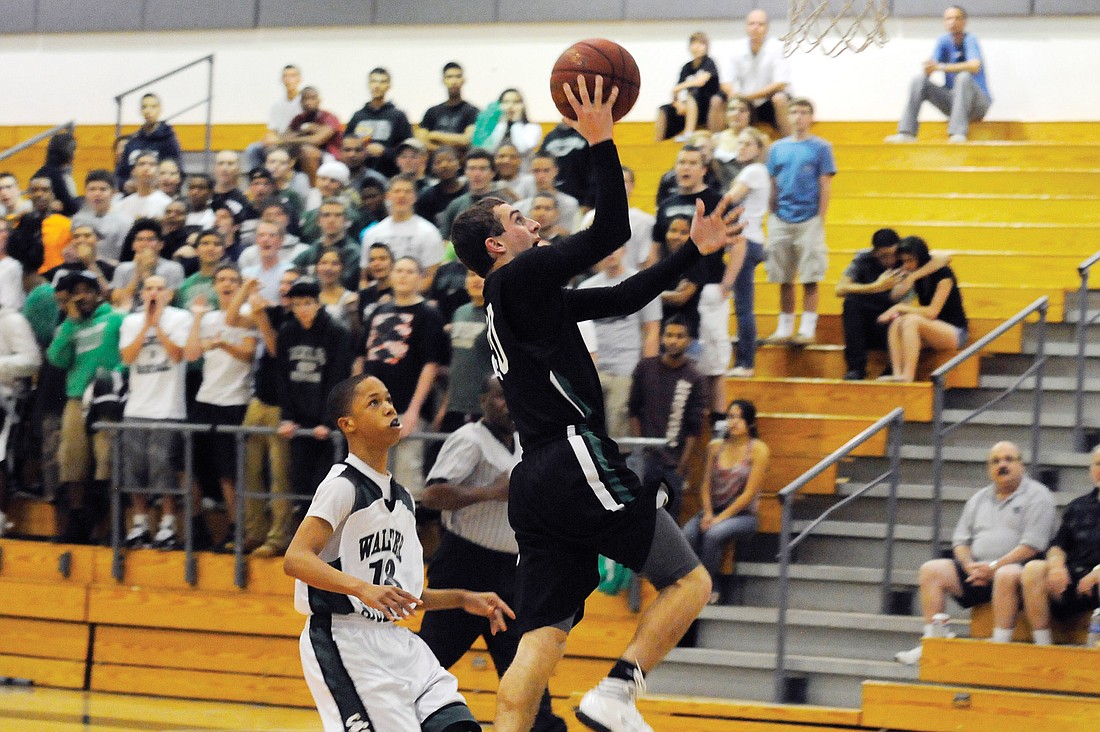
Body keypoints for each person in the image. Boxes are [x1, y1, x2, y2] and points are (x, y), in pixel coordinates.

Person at [450, 76, 739, 732]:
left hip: (535, 479)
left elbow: (620, 299)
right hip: (575, 456)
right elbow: (609, 228)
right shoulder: (520, 276)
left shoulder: (517, 299)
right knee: (689, 582)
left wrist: (691, 253)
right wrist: (602, 141)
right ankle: (617, 691)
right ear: (498, 245)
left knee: (542, 638)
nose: (533, 220)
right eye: (518, 219)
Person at [283, 373, 513, 732]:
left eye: (388, 398)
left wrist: (463, 598)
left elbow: (405, 597)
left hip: (396, 642)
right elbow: (295, 558)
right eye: (373, 402)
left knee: (459, 725)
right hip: (345, 641)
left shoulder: (403, 499)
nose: (389, 406)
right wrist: (362, 589)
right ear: (349, 425)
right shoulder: (343, 486)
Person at [418, 377, 567, 732]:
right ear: (484, 399)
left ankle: (542, 723)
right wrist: (491, 492)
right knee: (429, 662)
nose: (509, 404)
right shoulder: (469, 439)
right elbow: (432, 495)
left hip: (510, 570)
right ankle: (385, 714)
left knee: (524, 664)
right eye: (501, 396)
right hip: (464, 566)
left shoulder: (522, 444)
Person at [895, 441, 1056, 665]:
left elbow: (1032, 545)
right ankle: (933, 640)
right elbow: (960, 541)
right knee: (931, 570)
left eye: (1009, 459)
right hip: (978, 572)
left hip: (1019, 573)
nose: (1002, 465)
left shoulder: (1039, 496)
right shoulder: (978, 499)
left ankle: (999, 645)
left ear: (1022, 465)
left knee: (1006, 573)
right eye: (996, 461)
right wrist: (969, 564)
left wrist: (994, 567)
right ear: (989, 468)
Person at [224, 270, 298, 557]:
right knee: (248, 470)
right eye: (282, 284)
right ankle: (252, 532)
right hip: (260, 399)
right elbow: (230, 321)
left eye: (290, 285)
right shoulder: (272, 311)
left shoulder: (301, 322)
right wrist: (244, 290)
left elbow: (276, 349)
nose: (285, 289)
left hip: (284, 405)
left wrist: (261, 318)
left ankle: (278, 536)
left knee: (280, 474)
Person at [183, 264, 257, 548]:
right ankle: (196, 527)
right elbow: (191, 354)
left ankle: (237, 527)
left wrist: (223, 344)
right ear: (214, 286)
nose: (227, 284)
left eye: (233, 280)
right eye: (222, 279)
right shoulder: (209, 317)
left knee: (230, 472)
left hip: (234, 401)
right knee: (191, 465)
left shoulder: (248, 317)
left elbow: (248, 354)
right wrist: (198, 319)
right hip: (205, 399)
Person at [118, 275, 194, 549]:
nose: (154, 293)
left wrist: (158, 325)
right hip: (137, 406)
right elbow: (127, 358)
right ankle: (140, 523)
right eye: (149, 288)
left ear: (169, 294)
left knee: (165, 468)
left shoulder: (181, 318)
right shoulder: (130, 321)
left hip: (168, 407)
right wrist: (146, 326)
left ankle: (167, 525)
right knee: (135, 469)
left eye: (159, 288)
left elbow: (176, 354)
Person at [762, 97, 836, 346]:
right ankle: (784, 328)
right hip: (780, 217)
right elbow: (772, 183)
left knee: (810, 275)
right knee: (782, 276)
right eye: (794, 112)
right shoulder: (777, 148)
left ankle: (807, 328)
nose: (798, 117)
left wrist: (820, 217)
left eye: (804, 112)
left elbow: (825, 184)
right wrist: (771, 213)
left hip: (809, 217)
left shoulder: (822, 147)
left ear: (811, 117)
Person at [276, 277, 355, 505]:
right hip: (299, 422)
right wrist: (287, 417)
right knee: (300, 485)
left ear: (318, 304)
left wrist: (327, 420)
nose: (302, 310)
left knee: (325, 484)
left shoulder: (336, 332)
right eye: (297, 304)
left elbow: (337, 379)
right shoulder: (287, 332)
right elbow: (283, 376)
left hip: (325, 423)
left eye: (307, 303)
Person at [682, 399, 768, 602]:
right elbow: (705, 485)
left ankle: (711, 586)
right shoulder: (715, 447)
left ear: (750, 422)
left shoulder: (758, 449)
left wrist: (720, 519)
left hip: (743, 515)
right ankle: (688, 585)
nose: (734, 422)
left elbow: (749, 493)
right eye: (730, 417)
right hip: (714, 510)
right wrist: (709, 513)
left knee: (713, 534)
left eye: (739, 417)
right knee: (688, 533)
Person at [628, 315, 708, 522]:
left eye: (680, 336)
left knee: (668, 521)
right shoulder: (645, 368)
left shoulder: (695, 377)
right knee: (637, 517)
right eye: (669, 335)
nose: (674, 340)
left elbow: (694, 427)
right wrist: (640, 448)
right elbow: (634, 410)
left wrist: (682, 464)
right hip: (645, 459)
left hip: (673, 464)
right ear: (662, 338)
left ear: (689, 341)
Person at [578, 244, 661, 442]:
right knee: (589, 428)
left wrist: (647, 373)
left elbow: (652, 330)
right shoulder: (585, 288)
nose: (610, 252)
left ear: (624, 249)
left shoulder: (640, 283)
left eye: (615, 247)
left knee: (618, 427)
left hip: (626, 369)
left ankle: (618, 468)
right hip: (593, 370)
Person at [1020, 445, 1100, 645]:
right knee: (1033, 569)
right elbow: (1058, 544)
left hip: (1097, 578)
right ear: (1091, 470)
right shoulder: (1078, 506)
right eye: (1098, 464)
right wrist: (1056, 566)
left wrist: (1096, 573)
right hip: (1075, 578)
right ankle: (1043, 644)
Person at [885, 5, 991, 144]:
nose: (953, 22)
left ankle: (958, 133)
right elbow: (931, 68)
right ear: (944, 22)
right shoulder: (943, 41)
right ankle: (906, 132)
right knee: (919, 81)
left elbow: (974, 65)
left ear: (964, 22)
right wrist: (928, 68)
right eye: (949, 18)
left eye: (957, 18)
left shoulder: (970, 39)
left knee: (963, 77)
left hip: (977, 105)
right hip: (954, 103)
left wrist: (941, 67)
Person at [876, 236, 968, 383]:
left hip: (955, 331)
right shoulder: (915, 276)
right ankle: (897, 373)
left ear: (921, 258)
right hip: (932, 328)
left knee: (911, 321)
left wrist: (899, 307)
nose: (907, 265)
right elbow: (895, 296)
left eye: (910, 260)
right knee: (897, 322)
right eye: (904, 261)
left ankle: (907, 376)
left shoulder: (944, 275)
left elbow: (932, 312)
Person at [723, 127, 771, 377]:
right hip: (749, 239)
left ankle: (746, 363)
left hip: (746, 240)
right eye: (739, 143)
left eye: (747, 144)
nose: (740, 148)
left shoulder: (754, 170)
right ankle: (744, 359)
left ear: (758, 149)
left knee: (743, 305)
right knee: (742, 303)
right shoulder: (753, 171)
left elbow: (729, 199)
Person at [361, 175, 444, 291]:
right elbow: (364, 278)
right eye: (397, 191)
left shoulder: (429, 232)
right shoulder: (372, 233)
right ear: (388, 196)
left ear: (415, 197)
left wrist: (401, 298)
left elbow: (431, 276)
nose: (401, 196)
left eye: (407, 191)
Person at [721, 10, 793, 137]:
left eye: (760, 24)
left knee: (780, 98)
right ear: (746, 27)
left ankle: (790, 143)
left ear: (766, 28)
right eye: (751, 24)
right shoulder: (735, 48)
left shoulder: (778, 47)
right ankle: (718, 146)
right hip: (744, 103)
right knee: (717, 100)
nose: (755, 28)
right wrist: (735, 94)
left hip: (768, 101)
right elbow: (725, 82)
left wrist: (748, 97)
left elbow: (780, 84)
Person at [655, 32, 725, 142]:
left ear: (707, 47)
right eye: (694, 43)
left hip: (708, 104)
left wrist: (679, 88)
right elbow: (676, 92)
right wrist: (678, 104)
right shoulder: (686, 67)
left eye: (701, 44)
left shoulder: (709, 62)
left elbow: (700, 81)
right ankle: (657, 144)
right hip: (690, 106)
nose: (697, 47)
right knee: (663, 109)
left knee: (692, 94)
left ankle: (689, 133)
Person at [344, 68, 414, 178]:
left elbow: (407, 150)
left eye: (382, 82)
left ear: (389, 86)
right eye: (373, 81)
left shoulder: (398, 116)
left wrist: (384, 152)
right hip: (358, 175)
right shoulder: (358, 117)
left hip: (390, 175)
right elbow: (345, 146)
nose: (377, 86)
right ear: (368, 84)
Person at [244, 65, 303, 172]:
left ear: (299, 79)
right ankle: (258, 180)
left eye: (292, 76)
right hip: (279, 143)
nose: (289, 79)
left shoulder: (304, 103)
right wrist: (268, 138)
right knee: (253, 149)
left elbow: (302, 132)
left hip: (295, 144)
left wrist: (280, 140)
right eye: (285, 76)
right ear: (282, 80)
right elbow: (273, 130)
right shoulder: (277, 105)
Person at [116, 93, 182, 186]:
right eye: (144, 107)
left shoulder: (169, 141)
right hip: (133, 196)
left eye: (153, 107)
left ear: (160, 109)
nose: (148, 111)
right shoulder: (132, 142)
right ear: (140, 111)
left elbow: (178, 172)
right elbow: (121, 174)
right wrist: (125, 185)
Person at [280, 86, 343, 182]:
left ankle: (315, 188)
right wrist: (301, 133)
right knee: (270, 150)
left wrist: (292, 139)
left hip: (329, 156)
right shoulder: (298, 119)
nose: (308, 102)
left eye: (312, 98)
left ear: (319, 100)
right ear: (300, 102)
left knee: (306, 150)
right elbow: (284, 138)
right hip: (301, 156)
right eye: (304, 99)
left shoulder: (329, 117)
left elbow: (316, 140)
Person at [419, 62, 480, 153]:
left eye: (458, 76)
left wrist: (434, 135)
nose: (454, 81)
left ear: (463, 80)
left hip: (461, 163)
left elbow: (467, 140)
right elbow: (421, 142)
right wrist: (445, 154)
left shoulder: (472, 111)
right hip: (435, 163)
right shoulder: (431, 112)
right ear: (443, 81)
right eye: (449, 77)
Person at [471, 88, 542, 159]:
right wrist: (502, 122)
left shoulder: (532, 128)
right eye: (506, 102)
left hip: (522, 168)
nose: (510, 106)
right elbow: (488, 150)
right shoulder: (490, 127)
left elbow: (521, 149)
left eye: (516, 102)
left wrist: (516, 121)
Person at [115, 151, 173, 220]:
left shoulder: (167, 203)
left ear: (158, 172)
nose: (146, 168)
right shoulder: (122, 205)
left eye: (152, 164)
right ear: (133, 171)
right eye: (142, 164)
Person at [712, 97, 753, 191]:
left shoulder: (759, 139)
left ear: (750, 115)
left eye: (742, 110)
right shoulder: (715, 139)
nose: (736, 113)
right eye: (732, 109)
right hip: (719, 191)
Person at [34, 132, 78, 217]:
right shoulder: (57, 175)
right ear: (69, 152)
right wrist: (81, 200)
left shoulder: (41, 172)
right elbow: (71, 207)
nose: (76, 153)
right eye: (74, 149)